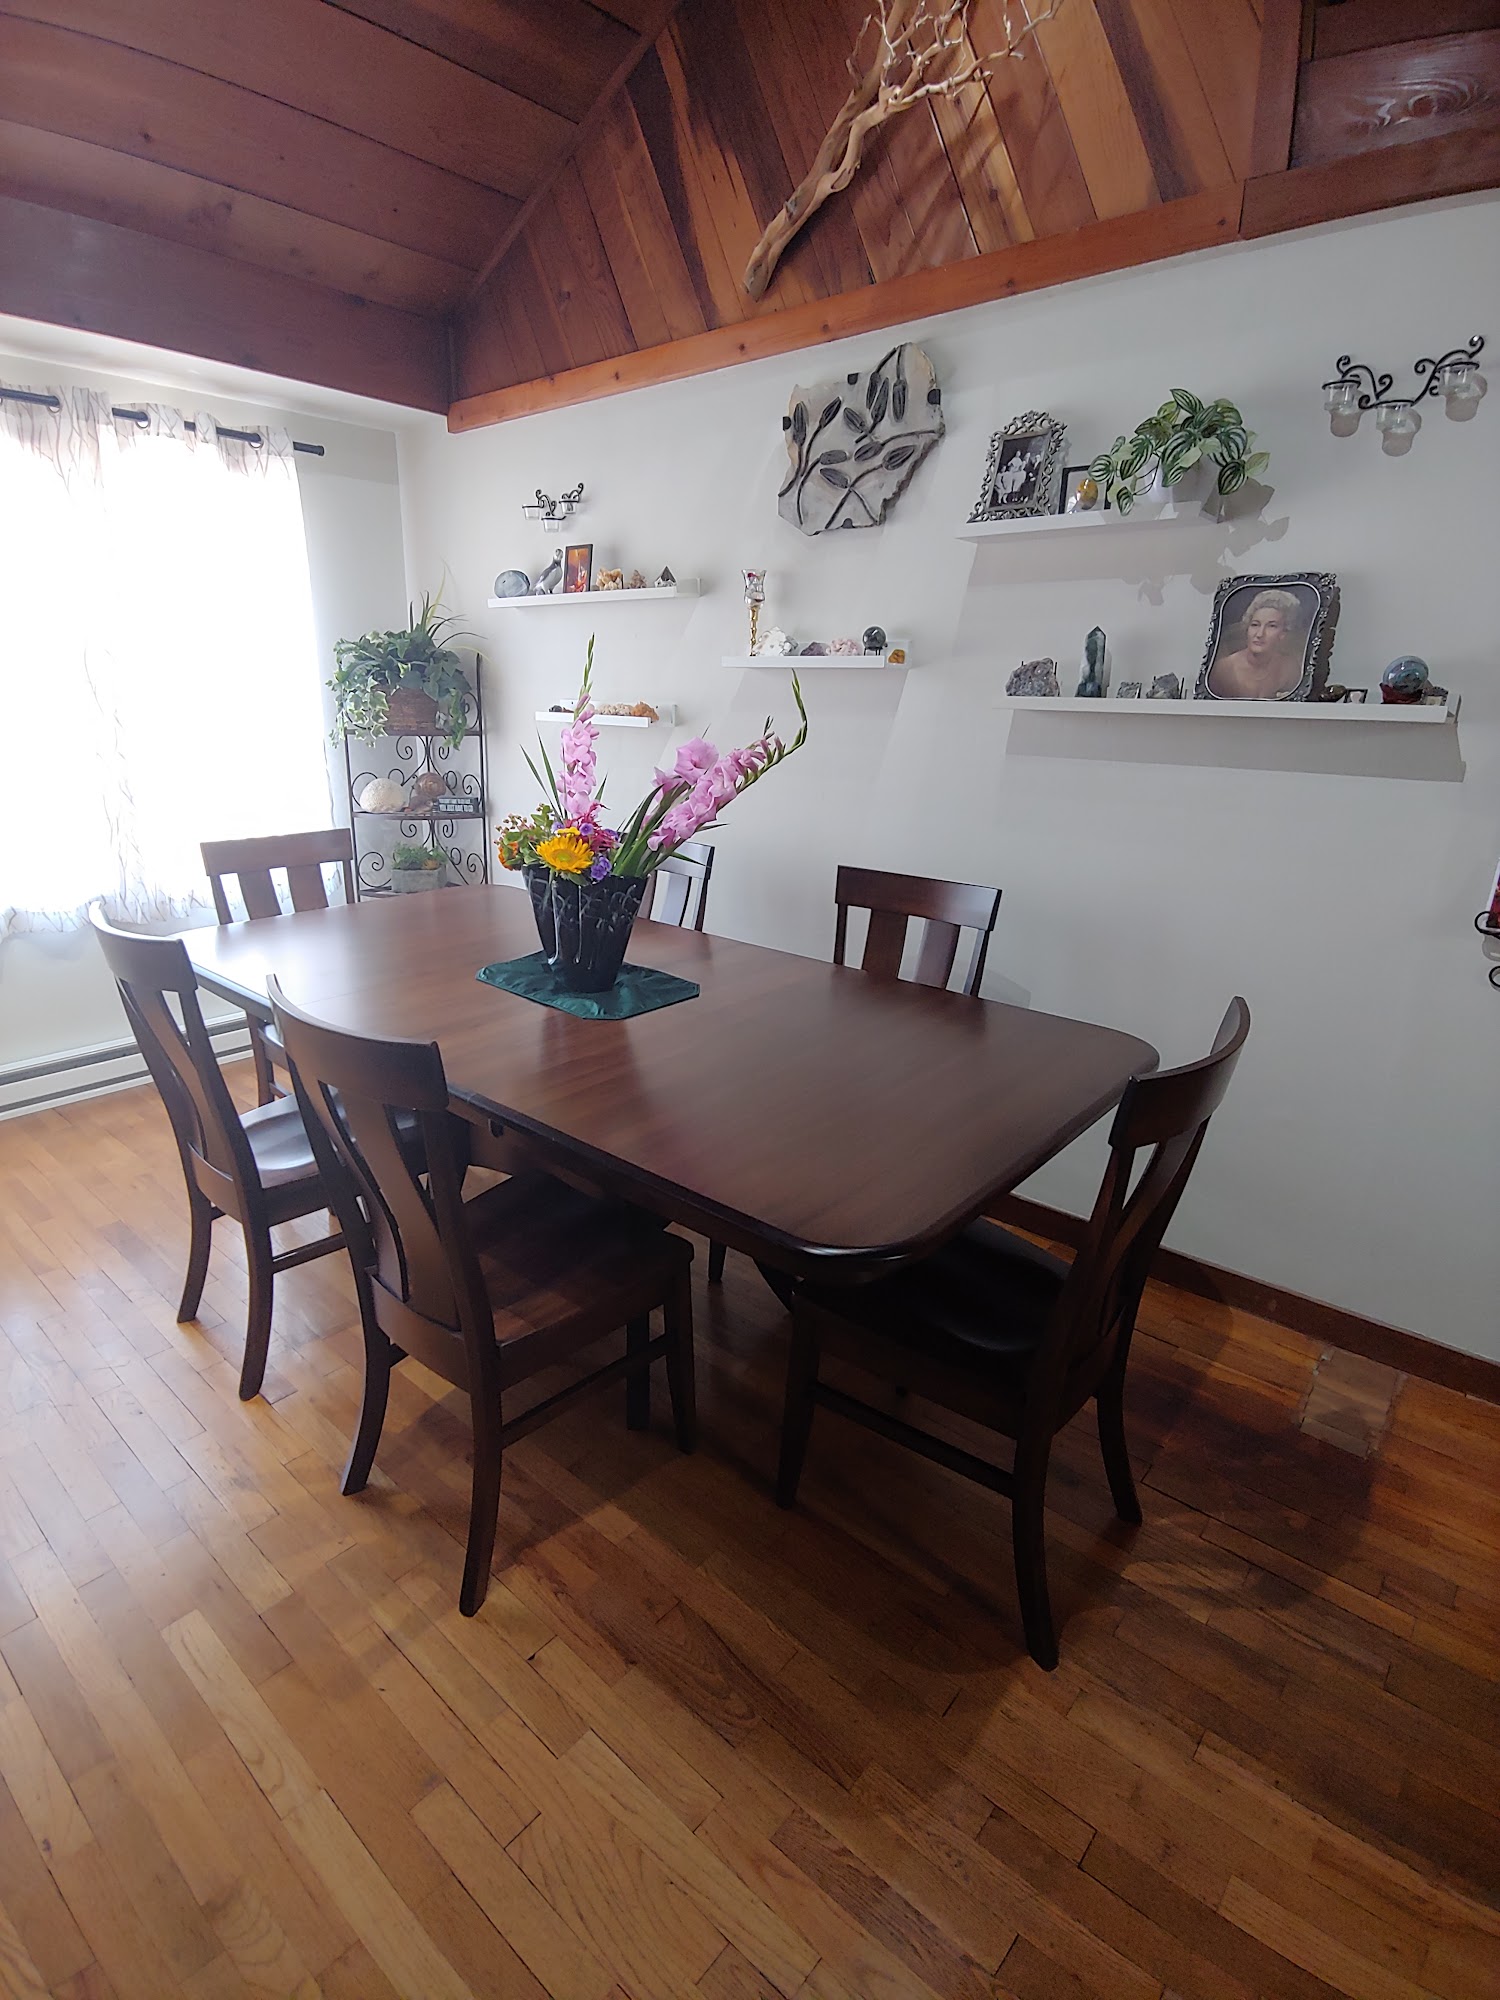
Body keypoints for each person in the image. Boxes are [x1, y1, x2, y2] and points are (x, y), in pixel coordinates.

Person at [1208, 587, 1307, 698]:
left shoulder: (1290, 668)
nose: (1260, 634)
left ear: (1283, 633)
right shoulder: (1224, 669)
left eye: (1271, 626)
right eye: (1255, 625)